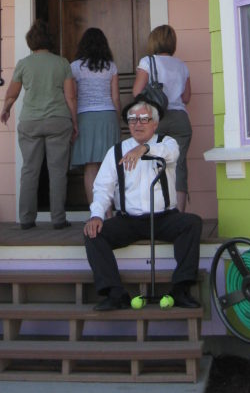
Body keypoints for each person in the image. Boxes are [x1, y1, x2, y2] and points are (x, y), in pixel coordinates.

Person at [83, 93, 202, 310]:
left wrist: (144, 148)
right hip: (129, 220)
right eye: (132, 119)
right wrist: (97, 215)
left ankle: (181, 289)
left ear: (155, 123)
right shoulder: (116, 151)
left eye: (144, 119)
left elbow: (171, 153)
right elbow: (102, 188)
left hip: (164, 218)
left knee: (192, 223)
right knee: (93, 234)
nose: (138, 124)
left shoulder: (167, 143)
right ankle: (115, 293)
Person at [0, 19, 77, 230]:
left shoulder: (24, 64)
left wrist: (5, 109)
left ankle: (26, 219)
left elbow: (12, 93)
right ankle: (58, 219)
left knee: (29, 171)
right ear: (49, 41)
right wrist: (75, 122)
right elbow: (70, 97)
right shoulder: (62, 63)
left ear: (30, 41)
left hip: (30, 122)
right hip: (58, 121)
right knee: (58, 171)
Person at [133, 24, 192, 212]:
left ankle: (156, 210)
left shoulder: (147, 62)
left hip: (157, 118)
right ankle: (180, 213)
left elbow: (137, 92)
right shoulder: (182, 65)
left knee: (152, 162)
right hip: (181, 119)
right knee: (179, 165)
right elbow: (186, 98)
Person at [69, 27, 121, 205]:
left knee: (90, 167)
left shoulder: (74, 67)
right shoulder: (111, 66)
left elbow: (72, 97)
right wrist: (119, 119)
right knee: (109, 166)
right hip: (108, 117)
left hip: (85, 118)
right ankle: (108, 210)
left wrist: (73, 121)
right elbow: (115, 97)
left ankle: (96, 212)